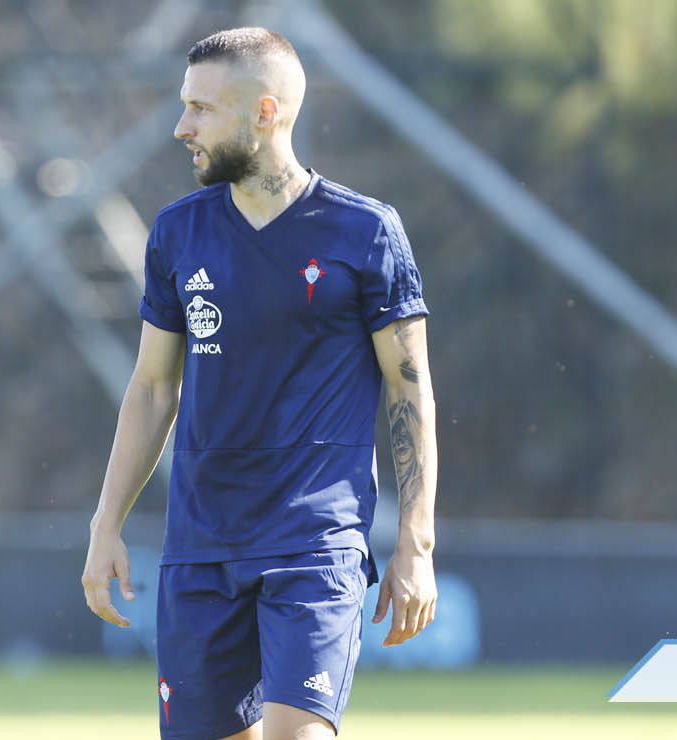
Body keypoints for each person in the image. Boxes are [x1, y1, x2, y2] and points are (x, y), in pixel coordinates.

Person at [82, 27, 438, 740]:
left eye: (201, 110)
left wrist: (416, 546)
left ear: (265, 112)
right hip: (200, 546)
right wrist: (105, 524)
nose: (182, 127)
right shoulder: (178, 233)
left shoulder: (365, 233)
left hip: (315, 542)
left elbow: (409, 388)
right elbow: (153, 389)